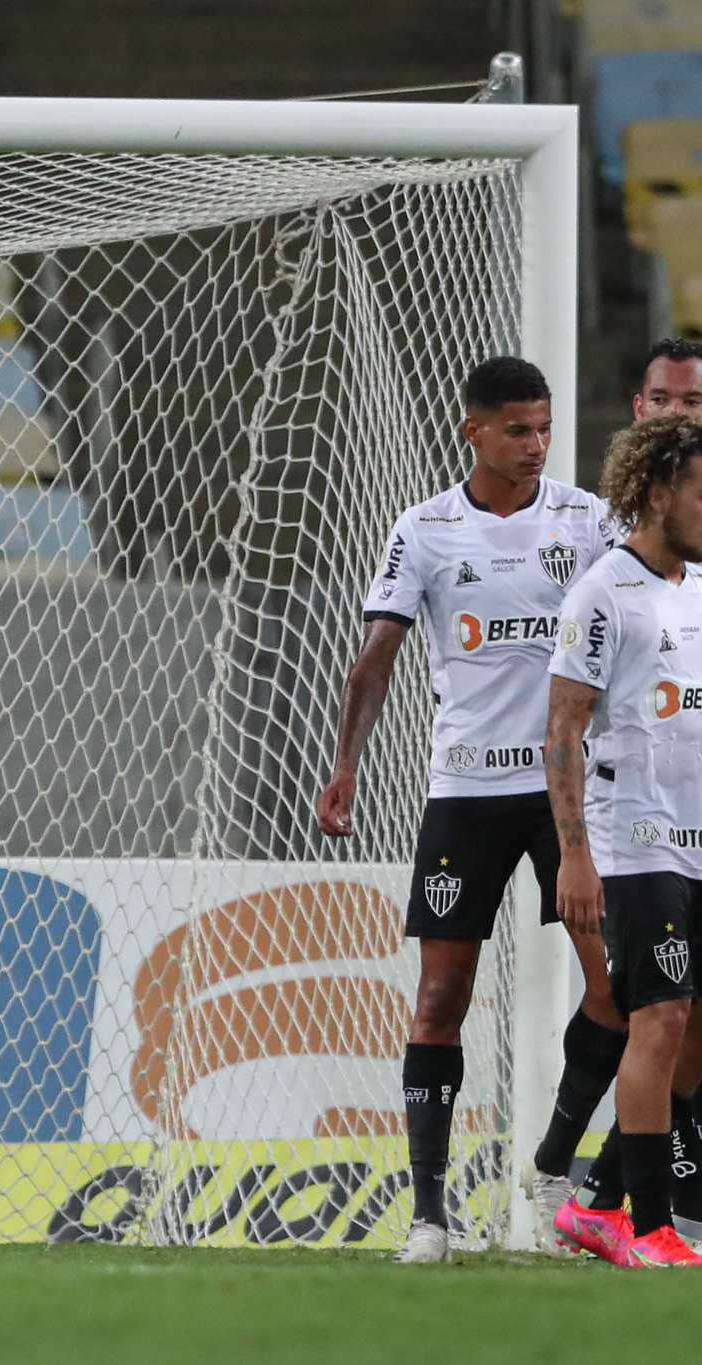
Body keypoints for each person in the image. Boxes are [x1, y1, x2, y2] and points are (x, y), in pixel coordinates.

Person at [314, 356, 617, 1263]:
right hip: (467, 791)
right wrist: (347, 766)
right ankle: (430, 1217)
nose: (536, 445)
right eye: (518, 429)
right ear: (473, 430)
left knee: (619, 985)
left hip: (568, 794)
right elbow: (376, 659)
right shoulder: (426, 530)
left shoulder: (587, 520)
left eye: (545, 427)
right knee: (440, 994)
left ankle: (554, 1165)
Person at [546, 415, 702, 1268]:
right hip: (637, 844)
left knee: (693, 1032)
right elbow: (563, 727)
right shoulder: (603, 589)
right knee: (660, 1017)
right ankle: (648, 1226)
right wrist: (576, 853)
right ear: (657, 494)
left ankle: (599, 1199)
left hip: (700, 836)